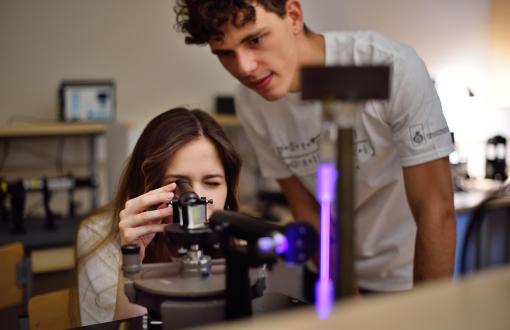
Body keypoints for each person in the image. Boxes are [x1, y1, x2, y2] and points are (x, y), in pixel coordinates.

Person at [174, 0, 456, 294]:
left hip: (406, 277)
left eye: (255, 39)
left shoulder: (390, 65)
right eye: (225, 53)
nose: (245, 67)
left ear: (293, 16)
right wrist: (348, 298)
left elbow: (435, 208)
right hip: (327, 273)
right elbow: (307, 209)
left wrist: (427, 312)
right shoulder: (250, 102)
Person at [74, 107, 241, 325]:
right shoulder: (99, 236)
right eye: (180, 185)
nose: (196, 200)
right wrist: (132, 259)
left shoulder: (237, 237)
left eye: (212, 183)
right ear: (148, 186)